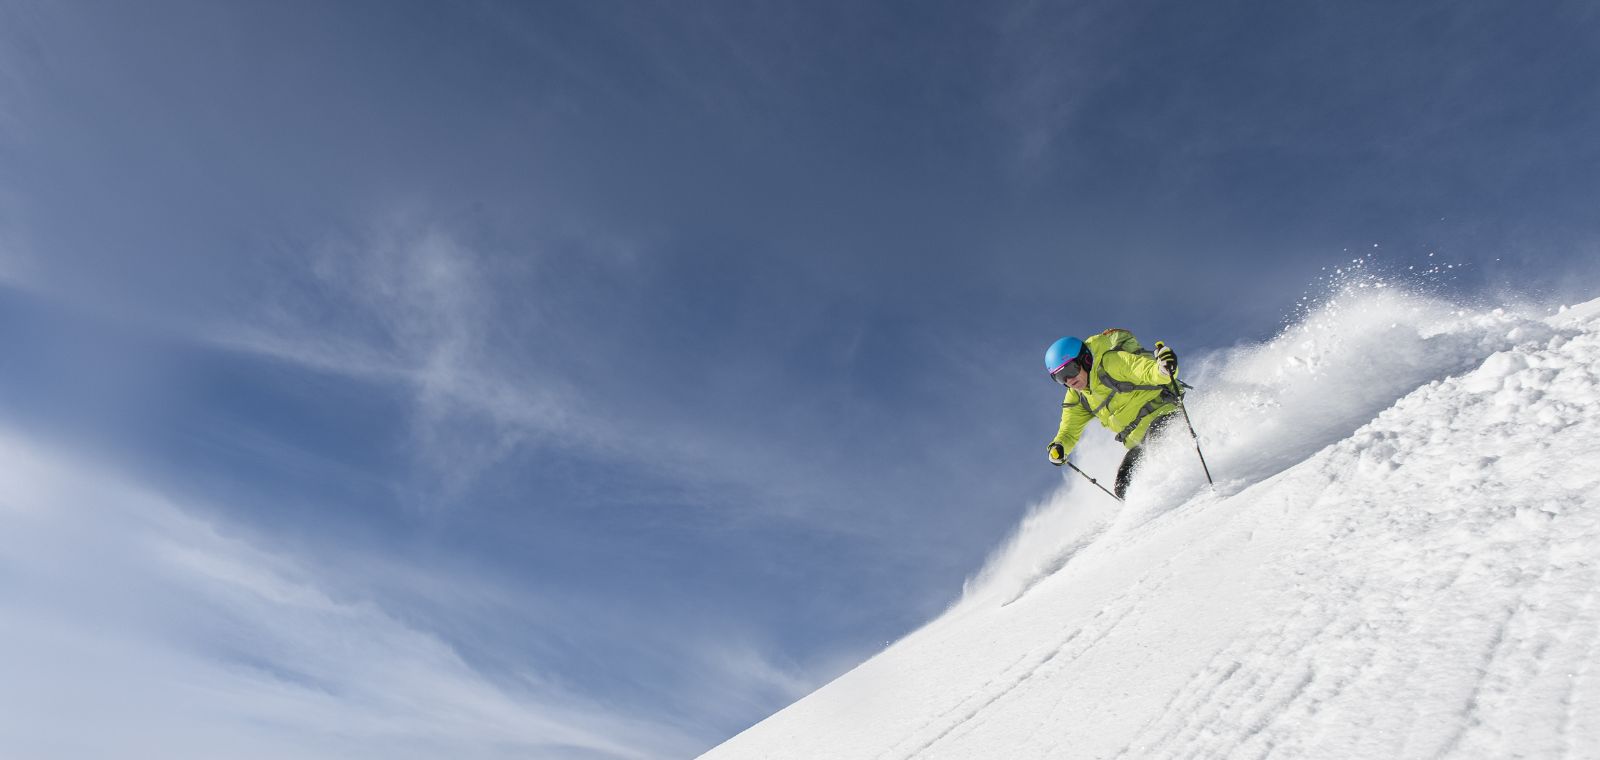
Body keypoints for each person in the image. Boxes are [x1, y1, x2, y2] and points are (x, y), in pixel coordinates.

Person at [1044, 330, 1181, 499]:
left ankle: (1184, 491)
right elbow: (1068, 431)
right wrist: (1059, 446)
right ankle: (1152, 514)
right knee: (1123, 486)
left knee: (1157, 450)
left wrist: (1164, 369)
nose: (1069, 380)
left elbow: (1146, 370)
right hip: (1139, 442)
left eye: (1071, 370)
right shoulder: (1078, 397)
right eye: (1060, 378)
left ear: (1085, 360)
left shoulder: (1110, 364)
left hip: (1166, 416)